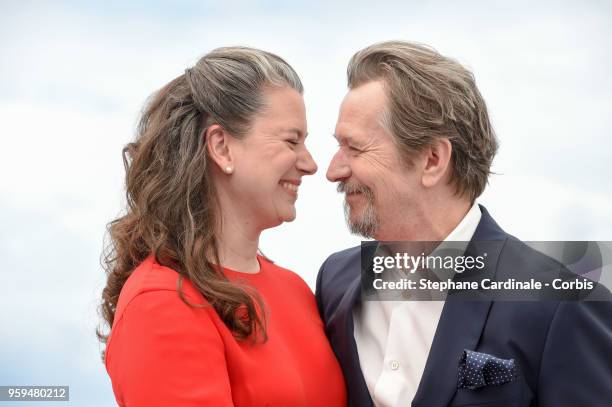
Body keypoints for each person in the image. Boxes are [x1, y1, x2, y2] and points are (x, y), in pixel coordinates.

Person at [316, 41, 612, 406]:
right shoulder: (334, 282)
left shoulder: (561, 304)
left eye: (355, 148)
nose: (333, 171)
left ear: (432, 160)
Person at [98, 46, 346, 406]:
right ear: (221, 147)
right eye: (291, 141)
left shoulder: (295, 290)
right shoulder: (161, 301)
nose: (310, 164)